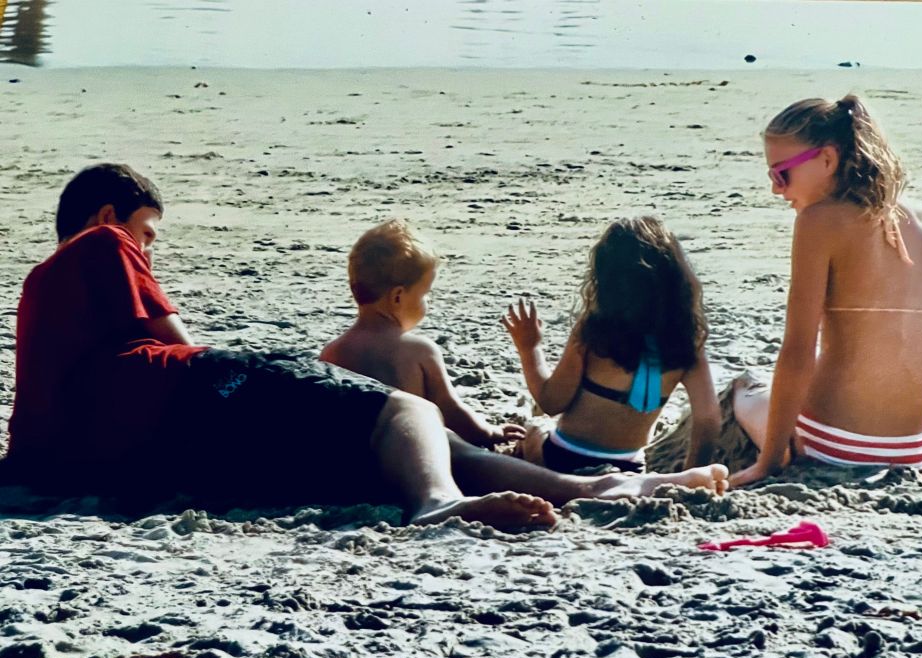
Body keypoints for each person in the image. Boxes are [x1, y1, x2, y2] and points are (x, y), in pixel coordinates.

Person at [3, 164, 727, 530]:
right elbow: (184, 349)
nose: (148, 255)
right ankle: (436, 508)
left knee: (433, 450)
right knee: (409, 418)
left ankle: (608, 488)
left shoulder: (45, 320)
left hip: (150, 457)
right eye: (148, 237)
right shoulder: (99, 245)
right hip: (191, 400)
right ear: (107, 218)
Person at [729, 95, 922, 487]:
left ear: (827, 160)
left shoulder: (818, 221)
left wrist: (768, 463)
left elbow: (798, 351)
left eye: (781, 174)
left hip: (833, 443)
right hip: (914, 449)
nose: (777, 190)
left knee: (744, 389)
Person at [502, 216, 728, 493]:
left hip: (563, 457)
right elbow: (708, 418)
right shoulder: (688, 339)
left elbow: (552, 401)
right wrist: (693, 472)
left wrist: (530, 348)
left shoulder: (594, 328)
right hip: (629, 466)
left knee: (535, 429)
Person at [320, 219, 525, 449]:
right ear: (398, 297)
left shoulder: (332, 352)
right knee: (454, 445)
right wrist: (489, 432)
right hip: (408, 454)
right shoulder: (418, 350)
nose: (428, 301)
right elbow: (451, 411)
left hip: (356, 455)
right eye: (426, 293)